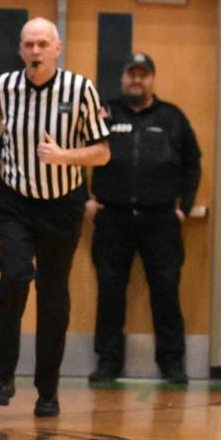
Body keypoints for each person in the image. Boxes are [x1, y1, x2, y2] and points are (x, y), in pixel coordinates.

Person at [0, 17, 110, 417]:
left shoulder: (80, 89)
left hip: (62, 203)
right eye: (28, 44)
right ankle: (3, 374)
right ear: (20, 49)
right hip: (15, 198)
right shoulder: (5, 85)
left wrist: (63, 156)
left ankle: (47, 391)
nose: (35, 52)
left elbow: (102, 152)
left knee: (53, 296)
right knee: (16, 275)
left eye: (42, 44)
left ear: (57, 48)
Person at [86, 52, 202, 385]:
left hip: (161, 220)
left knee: (166, 291)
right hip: (112, 218)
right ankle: (108, 362)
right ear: (123, 78)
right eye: (131, 74)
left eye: (143, 74)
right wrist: (84, 199)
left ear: (152, 79)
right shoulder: (104, 114)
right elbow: (74, 151)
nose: (136, 80)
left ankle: (172, 363)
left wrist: (185, 206)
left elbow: (193, 164)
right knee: (110, 292)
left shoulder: (172, 117)